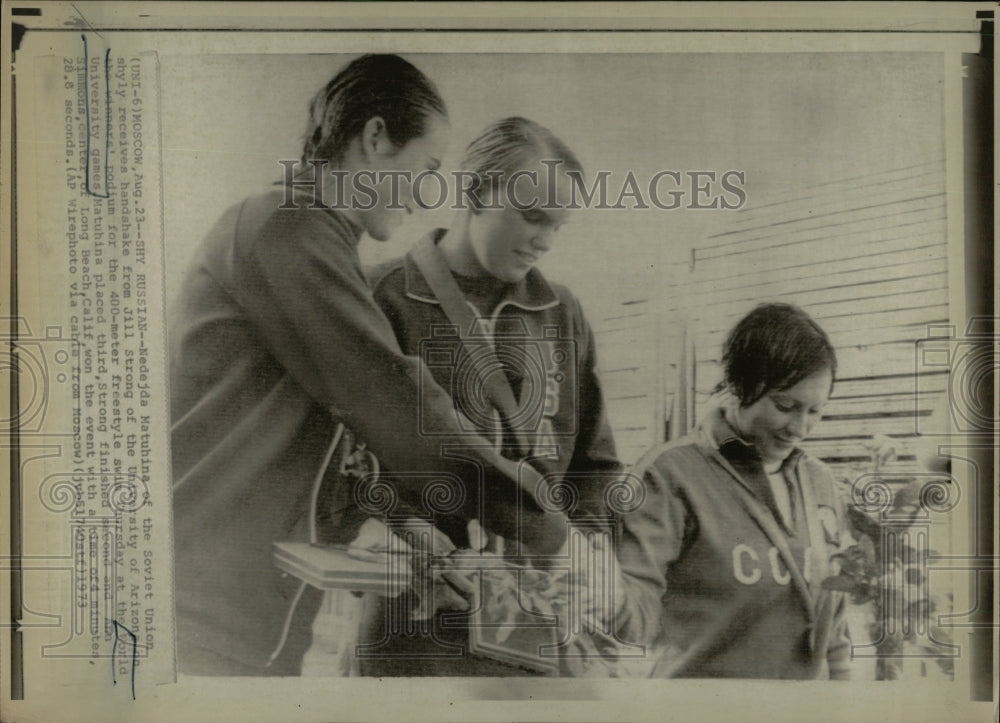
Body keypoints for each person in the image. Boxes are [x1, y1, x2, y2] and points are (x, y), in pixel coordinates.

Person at [170, 56, 567, 677]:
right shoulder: (288, 226)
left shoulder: (309, 238)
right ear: (376, 137)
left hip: (248, 614)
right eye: (426, 169)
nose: (423, 194)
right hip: (206, 615)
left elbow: (334, 450)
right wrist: (552, 536)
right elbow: (396, 403)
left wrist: (413, 529)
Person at [362, 117, 623, 675]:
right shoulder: (381, 300)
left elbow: (594, 464)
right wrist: (405, 539)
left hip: (541, 627)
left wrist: (587, 557)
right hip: (425, 625)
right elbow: (350, 472)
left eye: (558, 226)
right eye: (531, 217)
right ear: (475, 192)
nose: (544, 241)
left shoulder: (562, 313)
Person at [613, 302, 852, 679]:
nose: (799, 427)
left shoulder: (820, 482)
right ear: (740, 386)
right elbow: (629, 618)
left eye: (815, 411)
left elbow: (835, 625)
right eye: (785, 405)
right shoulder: (670, 475)